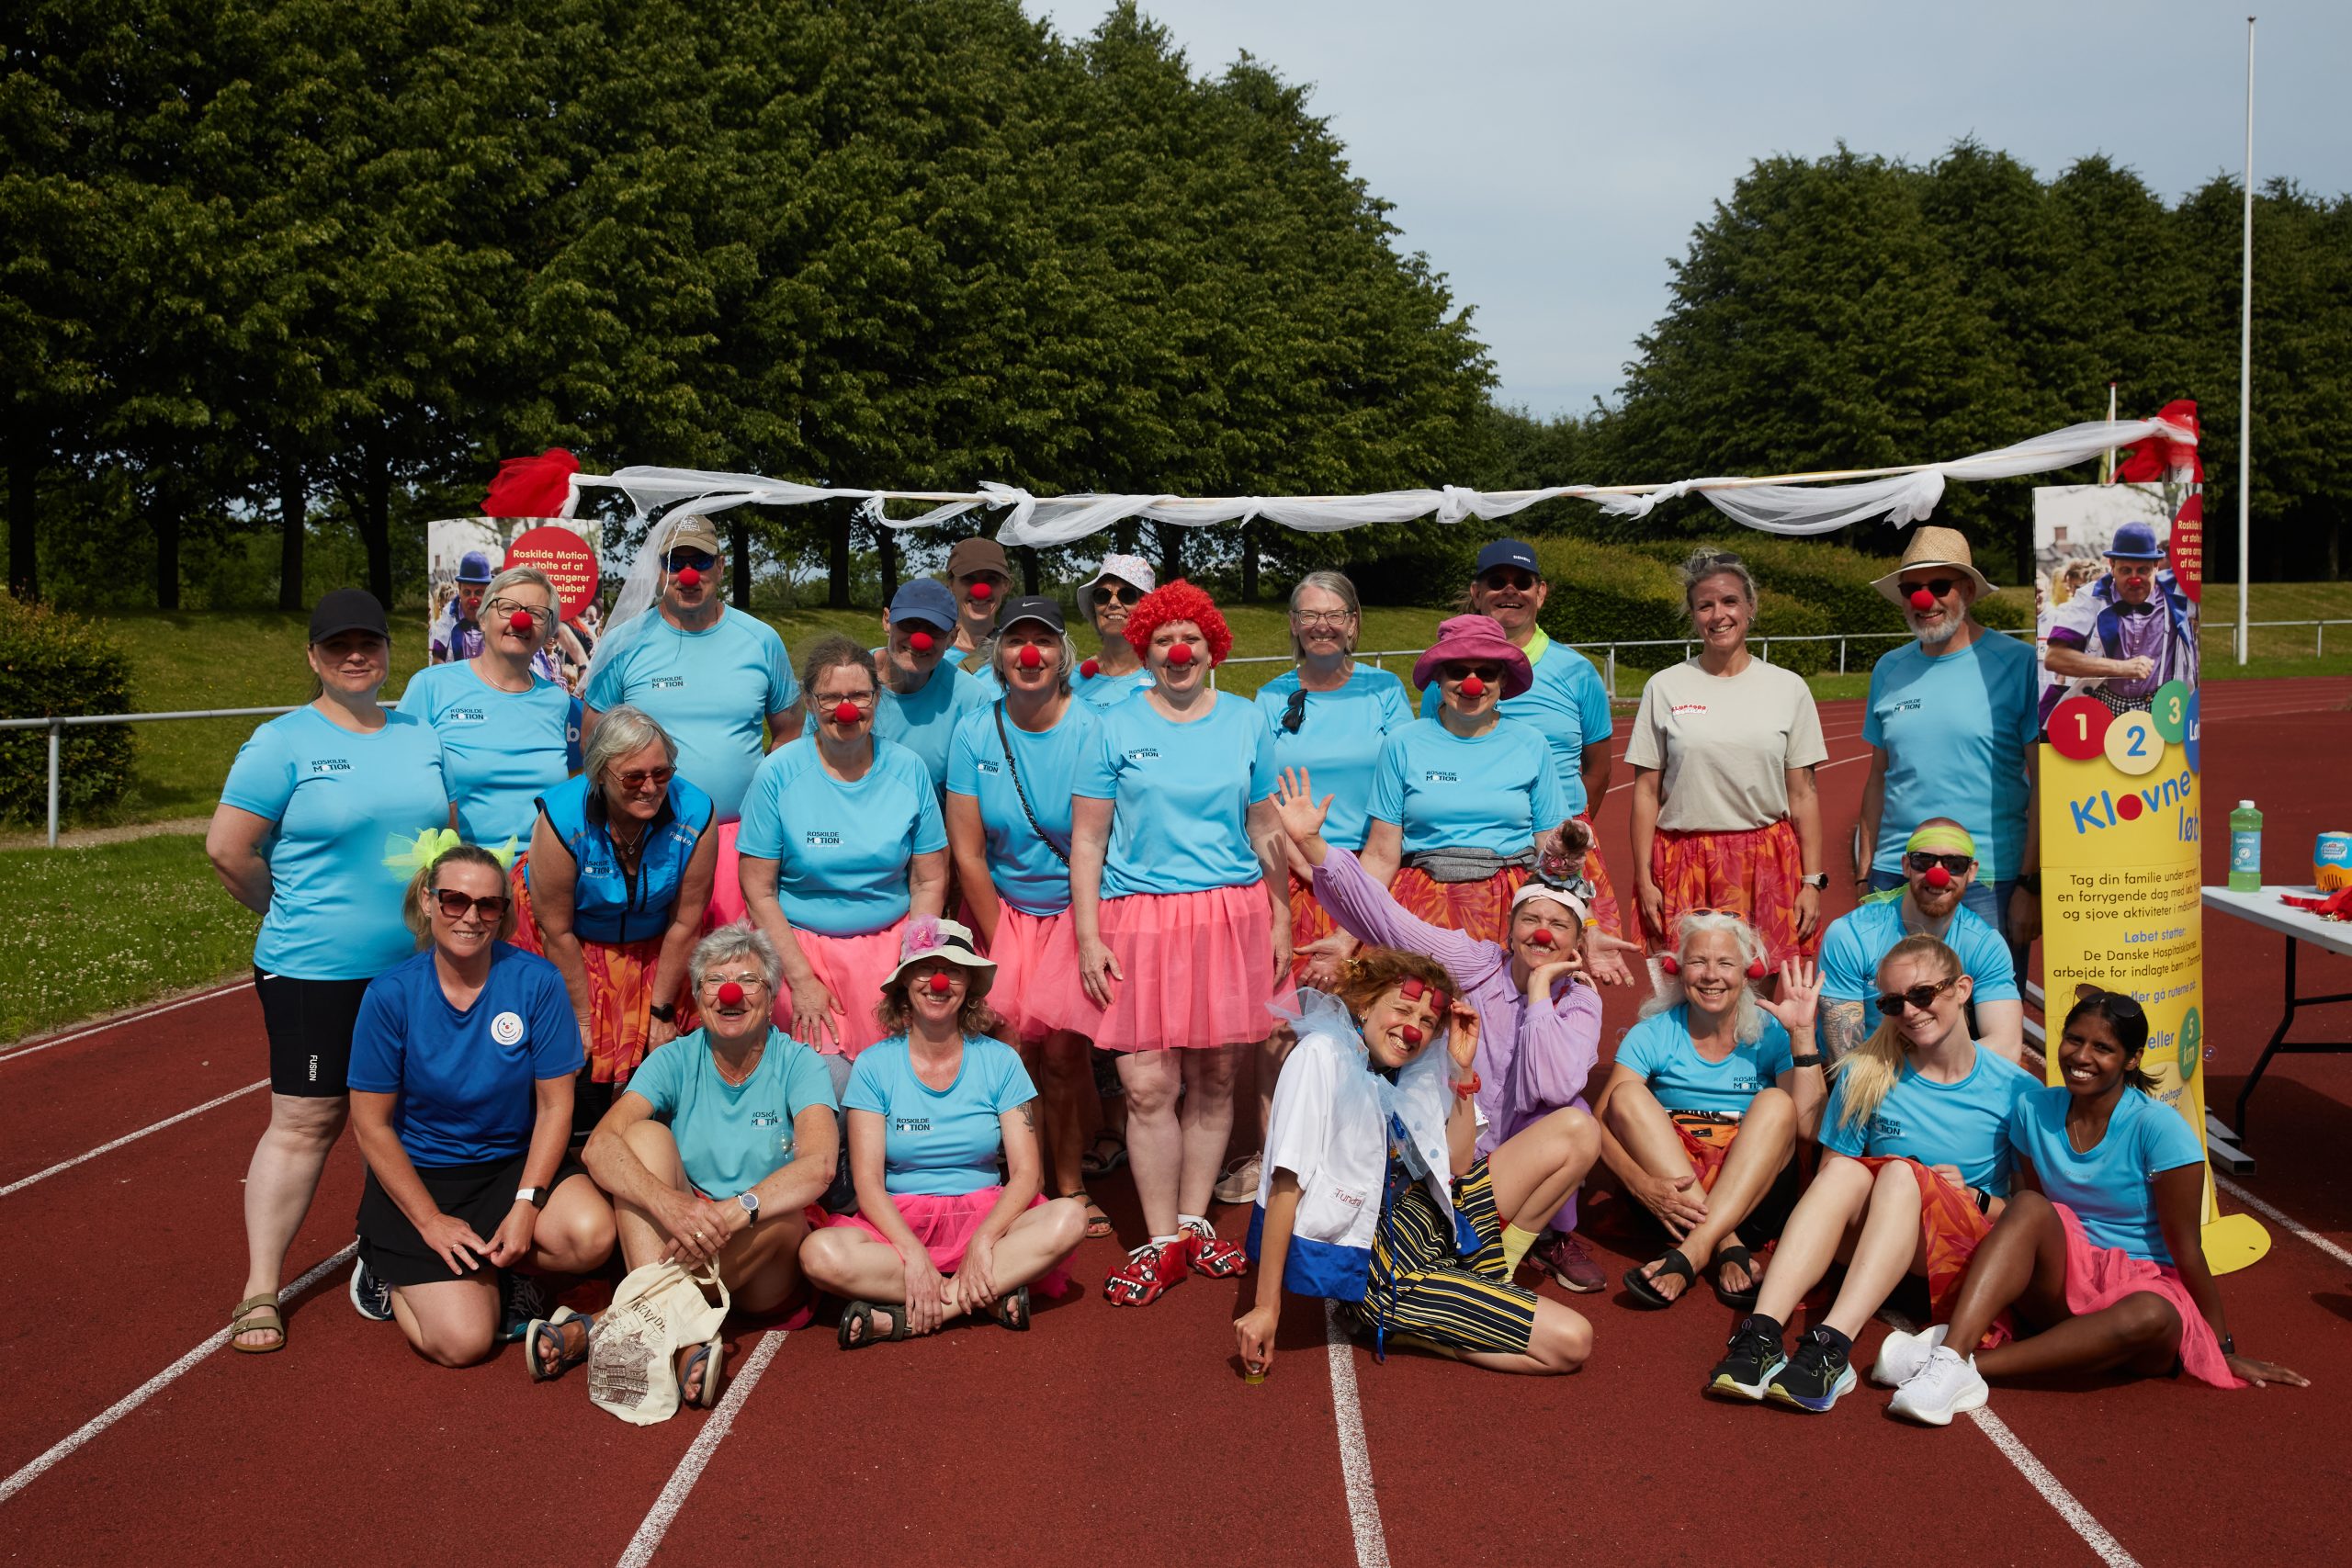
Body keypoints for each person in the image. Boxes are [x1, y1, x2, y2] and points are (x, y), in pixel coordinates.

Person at [208, 589, 454, 1354]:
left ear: (387, 651)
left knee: (415, 1118)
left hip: (416, 967)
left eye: (370, 642)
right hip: (314, 970)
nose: (357, 656)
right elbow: (228, 847)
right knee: (309, 1120)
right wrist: (283, 908)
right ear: (313, 657)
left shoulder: (421, 733)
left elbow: (447, 833)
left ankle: (387, 1253)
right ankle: (259, 1287)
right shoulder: (281, 742)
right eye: (339, 645)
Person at [1272, 766, 1630, 1293]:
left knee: (1575, 1117)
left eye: (1559, 925)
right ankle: (1468, 1242)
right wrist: (1315, 845)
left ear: (1577, 938)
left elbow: (1550, 1086)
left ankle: (1514, 1255)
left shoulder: (1579, 1002)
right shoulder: (1477, 961)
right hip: (1462, 1156)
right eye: (1531, 919)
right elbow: (1388, 920)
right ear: (1509, 927)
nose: (1542, 933)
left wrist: (1537, 997)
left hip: (1526, 1164)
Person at [1879, 990, 2304, 1424]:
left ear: (2132, 1059)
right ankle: (1952, 1356)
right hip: (2066, 1278)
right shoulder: (2033, 1108)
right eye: (2074, 1039)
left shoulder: (2159, 1129)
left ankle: (1959, 1367)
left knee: (2152, 1313)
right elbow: (2040, 1216)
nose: (2081, 1056)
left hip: (2141, 1291)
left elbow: (2187, 1249)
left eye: (2103, 1047)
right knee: (2028, 1205)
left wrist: (2221, 1347)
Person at [1065, 581, 1290, 1306]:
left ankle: (1194, 1222)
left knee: (1218, 1078)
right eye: (1164, 640)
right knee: (1146, 1083)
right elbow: (1089, 838)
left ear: (1213, 645)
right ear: (1147, 648)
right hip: (1140, 918)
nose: (1179, 651)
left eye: (1190, 638)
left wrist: (1281, 915)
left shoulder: (1247, 719)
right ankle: (1160, 1239)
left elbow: (1264, 828)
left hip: (1229, 913)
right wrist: (1089, 933)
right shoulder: (1111, 724)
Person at [1705, 935, 2037, 1414]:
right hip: (1874, 1245)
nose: (1910, 1011)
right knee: (1845, 1172)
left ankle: (1831, 1348)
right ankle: (1761, 1335)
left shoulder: (2016, 1090)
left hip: (1952, 1255)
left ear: (1963, 989)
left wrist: (1978, 1197)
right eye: (1893, 1002)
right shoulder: (1867, 1072)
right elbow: (1829, 1184)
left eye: (1922, 995)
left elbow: (2032, 1213)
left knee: (1901, 1174)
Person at [1236, 948, 1600, 1377]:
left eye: (1427, 1022)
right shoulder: (1321, 1056)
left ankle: (1495, 1275)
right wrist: (1265, 1307)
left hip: (1427, 1217)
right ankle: (1412, 1329)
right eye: (1402, 1009)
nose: (1412, 1030)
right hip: (1381, 1264)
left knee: (1579, 1130)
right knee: (1573, 1342)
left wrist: (1462, 1070)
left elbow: (1460, 1163)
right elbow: (1286, 1182)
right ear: (1366, 1004)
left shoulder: (1420, 1062)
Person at [345, 842, 616, 1368]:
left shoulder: (536, 982)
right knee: (464, 1345)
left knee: (591, 1237)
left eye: (488, 905)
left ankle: (500, 1271)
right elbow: (370, 1124)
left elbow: (556, 1107)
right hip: (426, 1178)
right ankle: (384, 1265)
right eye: (454, 900)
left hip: (509, 1167)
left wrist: (525, 1203)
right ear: (427, 902)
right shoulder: (389, 995)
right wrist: (429, 1222)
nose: (471, 916)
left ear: (503, 912)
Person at [564, 926, 840, 1400]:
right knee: (641, 1136)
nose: (730, 992)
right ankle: (681, 1341)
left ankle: (615, 1322)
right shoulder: (674, 1058)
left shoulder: (800, 1063)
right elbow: (599, 1147)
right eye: (714, 981)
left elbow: (818, 1166)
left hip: (759, 1249)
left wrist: (733, 1212)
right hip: (686, 1235)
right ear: (697, 995)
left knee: (785, 1215)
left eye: (748, 980)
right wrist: (670, 1205)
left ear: (770, 994)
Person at [797, 920, 1086, 1346]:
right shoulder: (875, 1065)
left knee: (1069, 1218)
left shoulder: (1002, 1060)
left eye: (952, 969)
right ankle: (979, 1295)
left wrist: (985, 1238)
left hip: (988, 1215)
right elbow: (869, 1183)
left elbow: (1028, 1175)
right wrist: (912, 1255)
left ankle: (915, 1315)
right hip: (900, 1223)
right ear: (904, 985)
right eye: (925, 968)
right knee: (817, 1254)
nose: (938, 981)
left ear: (969, 984)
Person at [943, 595, 1112, 1237]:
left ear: (1063, 654)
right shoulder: (975, 731)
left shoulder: (1093, 727)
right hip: (1005, 913)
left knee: (1066, 1057)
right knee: (1012, 1054)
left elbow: (1102, 841)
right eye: (1016, 641)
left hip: (1079, 912)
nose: (1029, 654)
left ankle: (1070, 1184)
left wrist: (1081, 928)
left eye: (1042, 640)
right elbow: (968, 849)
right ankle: (1024, 1184)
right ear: (999, 654)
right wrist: (1002, 939)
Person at [1594, 912, 1825, 1309]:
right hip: (1672, 1198)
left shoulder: (1773, 1032)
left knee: (1775, 1102)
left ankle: (1696, 1251)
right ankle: (1725, 1244)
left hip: (1753, 1193)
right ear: (1678, 969)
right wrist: (1640, 1185)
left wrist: (1802, 1036)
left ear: (1748, 971)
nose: (1710, 975)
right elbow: (1599, 1124)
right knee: (1625, 1097)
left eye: (1725, 963)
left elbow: (1805, 1130)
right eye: (1698, 962)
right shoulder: (1651, 1032)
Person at [737, 636, 949, 1062]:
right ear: (810, 703)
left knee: (894, 1078)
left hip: (889, 952)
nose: (846, 709)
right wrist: (800, 979)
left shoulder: (908, 769)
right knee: (828, 1087)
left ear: (877, 697)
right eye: (831, 697)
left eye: (858, 695)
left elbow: (929, 877)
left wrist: (912, 962)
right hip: (800, 951)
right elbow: (759, 891)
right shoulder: (777, 773)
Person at [514, 705, 718, 1130]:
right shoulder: (561, 818)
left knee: (666, 1046)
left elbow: (685, 923)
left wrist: (661, 1014)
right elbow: (557, 929)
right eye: (633, 777)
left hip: (658, 941)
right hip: (571, 942)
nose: (650, 788)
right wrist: (583, 1018)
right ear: (599, 774)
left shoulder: (697, 813)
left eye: (662, 774)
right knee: (577, 1053)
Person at [1854, 526, 2041, 977]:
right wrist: (1865, 875)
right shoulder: (1889, 668)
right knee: (1894, 1017)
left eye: (1939, 586)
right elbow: (1879, 777)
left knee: (1982, 1019)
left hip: (1985, 879)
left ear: (1969, 591)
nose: (1925, 600)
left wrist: (2030, 884)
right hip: (1895, 876)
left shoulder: (2018, 664)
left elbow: (2045, 785)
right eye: (1912, 589)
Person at [1627, 549, 1829, 964]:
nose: (1718, 615)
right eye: (1705, 605)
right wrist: (1643, 878)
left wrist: (1812, 882)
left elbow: (1804, 794)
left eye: (1729, 601)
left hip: (1768, 863)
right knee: (1689, 986)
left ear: (1751, 608)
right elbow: (1646, 793)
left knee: (1768, 985)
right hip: (1685, 862)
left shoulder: (1788, 688)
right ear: (1693, 615)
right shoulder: (1664, 687)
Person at [1363, 613, 1573, 946]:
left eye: (1486, 672)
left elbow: (1552, 846)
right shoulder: (1401, 743)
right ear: (1439, 678)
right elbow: (1380, 854)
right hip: (1423, 906)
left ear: (1502, 680)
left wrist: (1584, 922)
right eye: (1458, 672)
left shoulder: (1532, 744)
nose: (1472, 683)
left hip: (1511, 906)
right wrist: (1347, 935)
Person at [582, 515, 801, 829]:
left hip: (740, 833)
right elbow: (591, 740)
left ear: (721, 566)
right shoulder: (622, 643)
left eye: (700, 561)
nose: (688, 575)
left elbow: (790, 732)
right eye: (674, 563)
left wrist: (765, 800)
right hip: (647, 836)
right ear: (659, 571)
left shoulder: (762, 640)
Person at [1468, 538, 1627, 940]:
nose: (1510, 590)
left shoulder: (1576, 671)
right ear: (1476, 593)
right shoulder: (1450, 675)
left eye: (1523, 581)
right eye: (1497, 581)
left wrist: (1568, 831)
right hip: (1481, 847)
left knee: (1565, 972)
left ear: (1540, 593)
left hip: (1560, 846)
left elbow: (1599, 769)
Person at [400, 565, 582, 847]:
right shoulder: (431, 687)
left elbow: (572, 796)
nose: (521, 620)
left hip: (539, 875)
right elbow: (400, 784)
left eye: (536, 613)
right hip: (462, 875)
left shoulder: (559, 702)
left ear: (548, 631)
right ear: (483, 619)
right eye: (508, 608)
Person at [1820, 819, 2023, 1065]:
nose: (1938, 875)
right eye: (1923, 862)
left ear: (1972, 872)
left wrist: (1932, 1082)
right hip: (1869, 1078)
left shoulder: (1985, 945)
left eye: (1955, 864)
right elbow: (1844, 1056)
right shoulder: (1851, 934)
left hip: (1944, 1080)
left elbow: (2007, 1046)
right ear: (1906, 866)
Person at [2041, 520, 2199, 721]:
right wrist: (2121, 668)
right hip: (2102, 707)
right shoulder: (2091, 597)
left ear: (2157, 566)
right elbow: (2055, 657)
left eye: (2143, 570)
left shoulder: (2179, 595)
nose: (2135, 579)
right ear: (2112, 566)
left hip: (2165, 709)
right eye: (2126, 570)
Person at [873, 578, 990, 790]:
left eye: (934, 629)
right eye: (909, 624)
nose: (919, 639)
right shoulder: (842, 682)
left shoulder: (972, 700)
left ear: (952, 637)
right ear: (887, 621)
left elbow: (979, 790)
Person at [1071, 554, 1156, 709]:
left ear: (1147, 607)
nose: (1113, 603)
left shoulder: (1167, 675)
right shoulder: (1072, 681)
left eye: (1127, 595)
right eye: (1102, 595)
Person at [943, 535, 1013, 666]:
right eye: (968, 578)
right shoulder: (932, 653)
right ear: (951, 585)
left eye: (991, 579)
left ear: (1005, 586)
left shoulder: (1016, 652)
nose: (980, 590)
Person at [429, 550, 495, 663]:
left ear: (488, 591)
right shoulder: (449, 613)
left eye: (479, 592)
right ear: (459, 589)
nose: (472, 599)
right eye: (467, 592)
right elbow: (438, 657)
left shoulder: (496, 613)